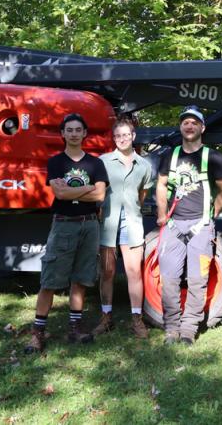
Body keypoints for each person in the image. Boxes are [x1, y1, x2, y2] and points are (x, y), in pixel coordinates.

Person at [25, 113, 108, 353]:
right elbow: (59, 194)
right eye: (69, 130)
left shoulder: (95, 163)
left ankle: (75, 328)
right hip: (63, 224)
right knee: (50, 280)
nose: (73, 133)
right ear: (63, 134)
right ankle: (38, 333)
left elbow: (100, 195)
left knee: (81, 279)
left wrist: (76, 190)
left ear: (84, 134)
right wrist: (88, 188)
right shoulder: (56, 162)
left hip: (90, 224)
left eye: (77, 130)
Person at [156, 105, 222, 345]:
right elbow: (160, 185)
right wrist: (161, 215)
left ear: (202, 127)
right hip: (173, 226)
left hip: (200, 227)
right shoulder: (170, 155)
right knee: (169, 279)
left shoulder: (214, 157)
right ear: (181, 127)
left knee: (198, 280)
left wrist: (212, 215)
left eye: (194, 122)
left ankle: (188, 330)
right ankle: (171, 329)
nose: (189, 126)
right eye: (185, 122)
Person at [93, 119, 153, 339]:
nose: (122, 139)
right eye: (118, 135)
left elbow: (141, 196)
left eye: (126, 135)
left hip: (132, 224)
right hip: (108, 223)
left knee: (134, 272)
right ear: (114, 138)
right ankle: (106, 317)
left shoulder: (145, 166)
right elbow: (97, 191)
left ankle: (136, 320)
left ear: (133, 136)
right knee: (107, 272)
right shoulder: (103, 162)